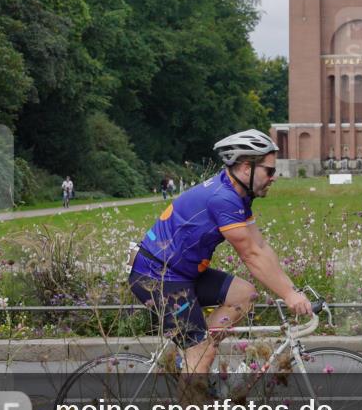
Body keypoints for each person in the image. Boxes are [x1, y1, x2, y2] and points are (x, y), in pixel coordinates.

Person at [128, 129, 313, 377]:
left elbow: (260, 247)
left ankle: (192, 360)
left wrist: (293, 290)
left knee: (244, 294)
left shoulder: (237, 195)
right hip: (158, 277)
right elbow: (250, 256)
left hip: (182, 274)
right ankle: (193, 398)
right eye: (269, 170)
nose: (274, 177)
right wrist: (289, 296)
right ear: (247, 168)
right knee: (201, 353)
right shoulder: (223, 199)